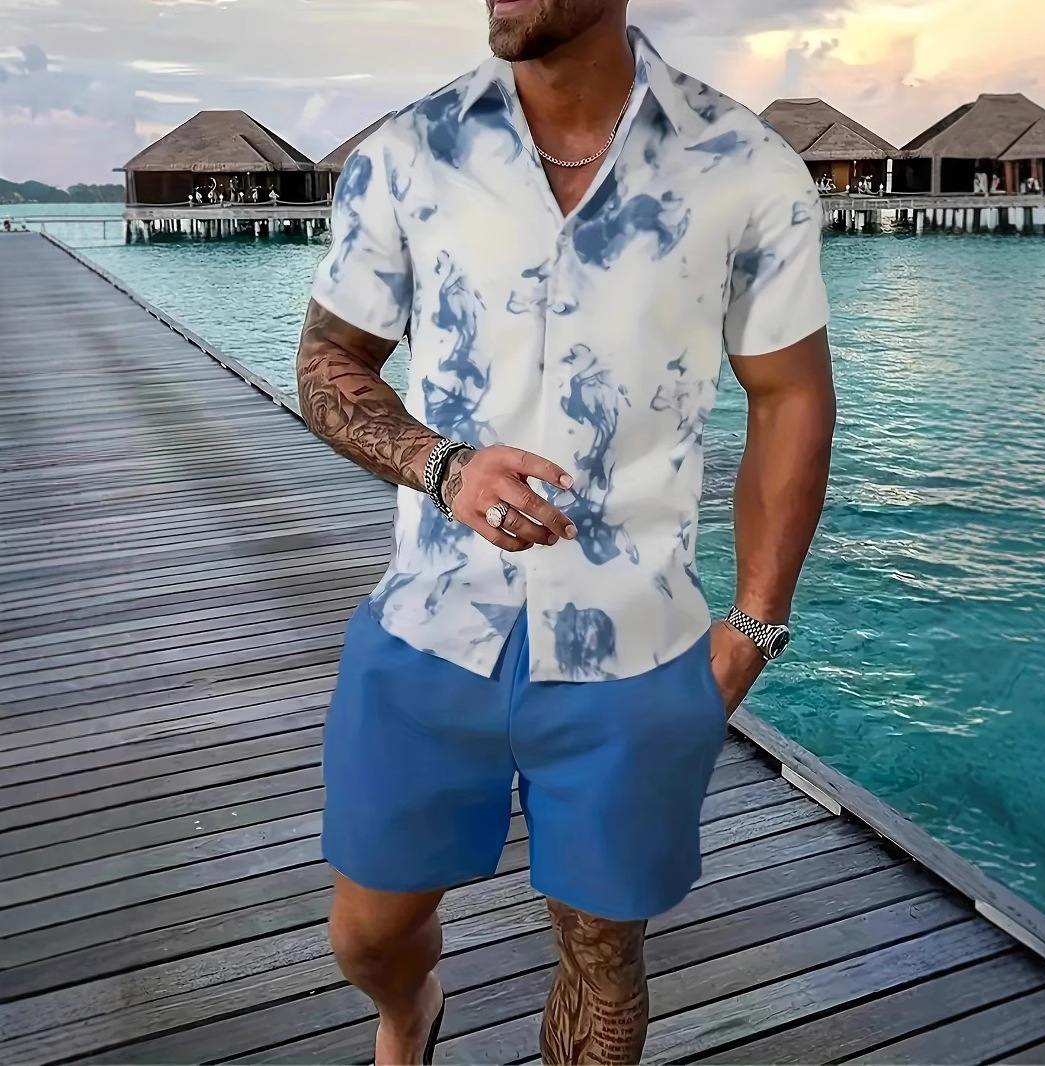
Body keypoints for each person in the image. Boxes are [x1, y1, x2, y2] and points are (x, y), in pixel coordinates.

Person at [297, 1, 836, 1062]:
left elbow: (790, 395)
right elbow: (327, 363)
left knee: (602, 953)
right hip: (430, 625)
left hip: (630, 646)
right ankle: (409, 1009)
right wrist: (440, 464)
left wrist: (756, 622)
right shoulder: (408, 153)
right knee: (366, 933)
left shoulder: (744, 167)